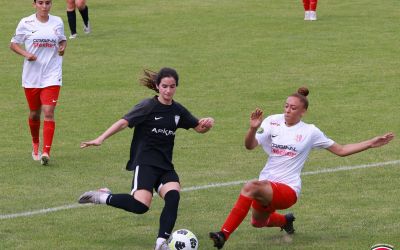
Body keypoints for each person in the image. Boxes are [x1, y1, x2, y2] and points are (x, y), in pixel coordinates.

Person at [209, 87, 394, 249]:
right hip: (268, 186)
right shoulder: (273, 121)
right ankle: (285, 220)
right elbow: (249, 146)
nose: (288, 110)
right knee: (257, 222)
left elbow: (342, 150)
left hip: (288, 190)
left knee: (250, 186)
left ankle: (223, 235)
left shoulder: (310, 131)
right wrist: (252, 129)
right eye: (286, 106)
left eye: (293, 108)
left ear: (303, 111)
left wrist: (371, 143)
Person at [78, 67, 215, 250]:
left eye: (172, 86)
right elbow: (124, 122)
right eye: (164, 86)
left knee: (173, 197)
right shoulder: (147, 106)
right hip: (145, 163)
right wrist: (100, 138)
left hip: (165, 166)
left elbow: (198, 128)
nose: (168, 90)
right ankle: (103, 197)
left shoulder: (177, 111)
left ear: (176, 87)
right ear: (157, 86)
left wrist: (208, 124)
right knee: (141, 206)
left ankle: (161, 243)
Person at [10, 0, 67, 166]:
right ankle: (35, 143)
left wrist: (62, 47)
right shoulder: (26, 22)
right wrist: (26, 54)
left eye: (47, 3)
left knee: (48, 111)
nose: (44, 6)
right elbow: (13, 44)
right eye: (40, 3)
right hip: (32, 76)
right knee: (34, 113)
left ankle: (46, 152)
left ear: (51, 4)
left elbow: (62, 40)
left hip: (52, 74)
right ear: (34, 4)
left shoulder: (57, 21)